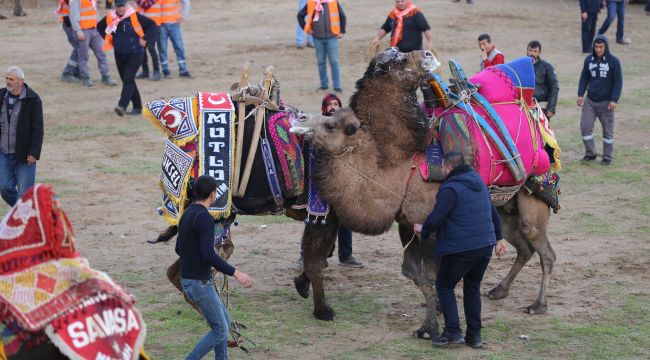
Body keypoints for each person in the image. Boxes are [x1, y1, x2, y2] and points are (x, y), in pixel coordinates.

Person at [414, 152, 507, 349]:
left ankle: (452, 332)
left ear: (448, 168)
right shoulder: (478, 181)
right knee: (472, 287)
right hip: (485, 246)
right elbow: (493, 213)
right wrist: (498, 238)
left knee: (445, 286)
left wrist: (423, 229)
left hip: (461, 249)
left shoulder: (450, 189)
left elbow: (437, 217)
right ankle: (474, 337)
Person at [176, 175, 254, 360]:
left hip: (190, 279)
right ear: (213, 194)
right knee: (220, 330)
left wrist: (205, 265)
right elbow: (208, 254)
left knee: (224, 323)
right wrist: (237, 273)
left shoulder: (187, 213)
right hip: (199, 284)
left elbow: (180, 248)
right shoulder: (204, 218)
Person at [296, 93, 364, 269]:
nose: (333, 107)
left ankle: (346, 255)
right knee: (314, 220)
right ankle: (305, 255)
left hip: (341, 182)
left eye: (336, 104)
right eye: (330, 104)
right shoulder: (316, 125)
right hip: (319, 183)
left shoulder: (347, 129)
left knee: (343, 219)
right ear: (324, 108)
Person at [97, 0, 157, 116]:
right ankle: (137, 107)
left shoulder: (135, 16)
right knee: (127, 80)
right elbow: (100, 26)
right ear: (115, 7)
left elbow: (152, 25)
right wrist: (110, 38)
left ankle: (122, 106)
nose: (121, 9)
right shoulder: (110, 17)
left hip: (136, 53)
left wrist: (145, 38)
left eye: (123, 6)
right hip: (119, 54)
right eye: (118, 6)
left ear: (126, 5)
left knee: (128, 78)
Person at [371, 0, 435, 108]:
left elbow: (426, 28)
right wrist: (377, 38)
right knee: (403, 84)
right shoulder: (393, 15)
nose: (400, 3)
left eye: (402, 1)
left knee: (424, 83)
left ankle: (430, 107)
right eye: (398, 1)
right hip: (397, 56)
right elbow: (385, 27)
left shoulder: (415, 13)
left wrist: (429, 42)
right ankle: (408, 107)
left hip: (414, 57)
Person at [0, 67, 44, 206]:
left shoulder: (33, 99)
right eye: (6, 78)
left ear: (21, 81)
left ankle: (23, 219)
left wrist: (34, 153)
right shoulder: (1, 95)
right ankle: (22, 213)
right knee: (5, 188)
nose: (7, 81)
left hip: (25, 155)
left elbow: (38, 129)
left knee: (24, 194)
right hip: (4, 153)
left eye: (11, 79)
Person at [577, 35, 623, 165]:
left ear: (606, 46)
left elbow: (618, 82)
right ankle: (590, 153)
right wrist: (580, 94)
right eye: (596, 46)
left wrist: (614, 99)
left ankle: (607, 156)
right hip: (590, 101)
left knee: (607, 131)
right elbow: (584, 77)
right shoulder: (588, 60)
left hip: (606, 102)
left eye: (601, 46)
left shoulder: (613, 61)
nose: (598, 49)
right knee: (585, 127)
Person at [298, 0, 347, 92]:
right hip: (317, 38)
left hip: (332, 37)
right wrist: (306, 29)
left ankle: (337, 86)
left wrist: (342, 31)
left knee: (334, 61)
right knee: (321, 62)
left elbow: (342, 16)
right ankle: (324, 85)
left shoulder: (333, 2)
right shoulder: (311, 2)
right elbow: (300, 16)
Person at [69, 0, 117, 87]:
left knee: (101, 54)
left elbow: (96, 13)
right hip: (83, 31)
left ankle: (105, 76)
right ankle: (85, 77)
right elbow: (73, 16)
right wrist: (78, 30)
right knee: (83, 56)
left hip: (95, 30)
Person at [158, 0, 192, 78]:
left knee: (178, 47)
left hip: (174, 24)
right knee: (162, 48)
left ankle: (182, 69)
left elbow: (186, 2)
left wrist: (184, 16)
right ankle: (165, 70)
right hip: (161, 24)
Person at [527, 40, 559, 121]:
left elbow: (554, 87)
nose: (532, 53)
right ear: (527, 50)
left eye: (535, 51)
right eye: (530, 50)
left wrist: (551, 108)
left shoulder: (547, 67)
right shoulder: (520, 66)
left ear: (539, 52)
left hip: (540, 107)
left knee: (540, 132)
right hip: (524, 107)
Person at [55, 0, 81, 83]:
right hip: (70, 24)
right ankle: (67, 72)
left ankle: (76, 71)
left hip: (73, 23)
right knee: (79, 48)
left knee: (80, 49)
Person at [136, 0, 162, 81]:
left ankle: (156, 71)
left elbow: (145, 5)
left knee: (151, 47)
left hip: (154, 25)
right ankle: (145, 71)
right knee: (142, 47)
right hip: (142, 25)